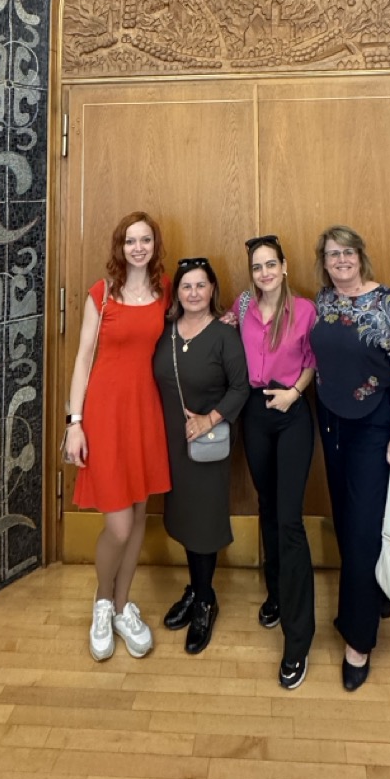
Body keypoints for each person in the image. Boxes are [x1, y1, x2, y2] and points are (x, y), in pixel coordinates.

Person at [310, 225, 390, 691]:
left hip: (374, 426)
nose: (341, 260)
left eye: (348, 252)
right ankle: (374, 596)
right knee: (347, 520)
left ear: (360, 256)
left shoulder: (387, 303)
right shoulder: (323, 301)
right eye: (332, 254)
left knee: (359, 530)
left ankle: (358, 641)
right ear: (324, 261)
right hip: (331, 422)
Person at [64, 212, 171, 663]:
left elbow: (198, 315)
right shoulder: (102, 293)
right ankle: (102, 602)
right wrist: (74, 422)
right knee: (119, 525)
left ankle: (124, 606)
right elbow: (83, 358)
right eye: (131, 240)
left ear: (155, 245)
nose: (138, 247)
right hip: (105, 416)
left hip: (146, 414)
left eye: (146, 240)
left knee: (140, 514)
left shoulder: (166, 292)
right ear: (120, 247)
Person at [224, 234, 317, 691]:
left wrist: (294, 394)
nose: (264, 273)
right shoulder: (243, 306)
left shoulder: (304, 310)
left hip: (291, 412)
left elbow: (312, 361)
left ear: (284, 266)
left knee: (289, 521)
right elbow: (223, 333)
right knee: (267, 508)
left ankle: (298, 640)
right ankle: (276, 594)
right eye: (257, 267)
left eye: (270, 265)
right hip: (255, 415)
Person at [152, 257, 249, 655]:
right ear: (177, 292)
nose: (193, 293)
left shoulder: (224, 335)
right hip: (171, 443)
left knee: (204, 522)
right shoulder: (165, 332)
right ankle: (195, 589)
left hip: (207, 445)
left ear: (212, 290)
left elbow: (241, 387)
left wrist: (209, 419)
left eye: (201, 286)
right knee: (183, 516)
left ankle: (206, 601)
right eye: (186, 286)